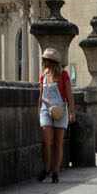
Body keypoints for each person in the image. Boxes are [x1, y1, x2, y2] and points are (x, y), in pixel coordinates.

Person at [36, 47, 72, 184]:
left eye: (44, 60)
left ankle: (55, 172)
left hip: (61, 110)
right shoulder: (43, 76)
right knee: (46, 142)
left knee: (57, 143)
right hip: (46, 109)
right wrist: (39, 111)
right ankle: (46, 170)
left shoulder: (64, 75)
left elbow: (69, 95)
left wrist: (72, 111)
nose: (42, 61)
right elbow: (41, 96)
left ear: (51, 62)